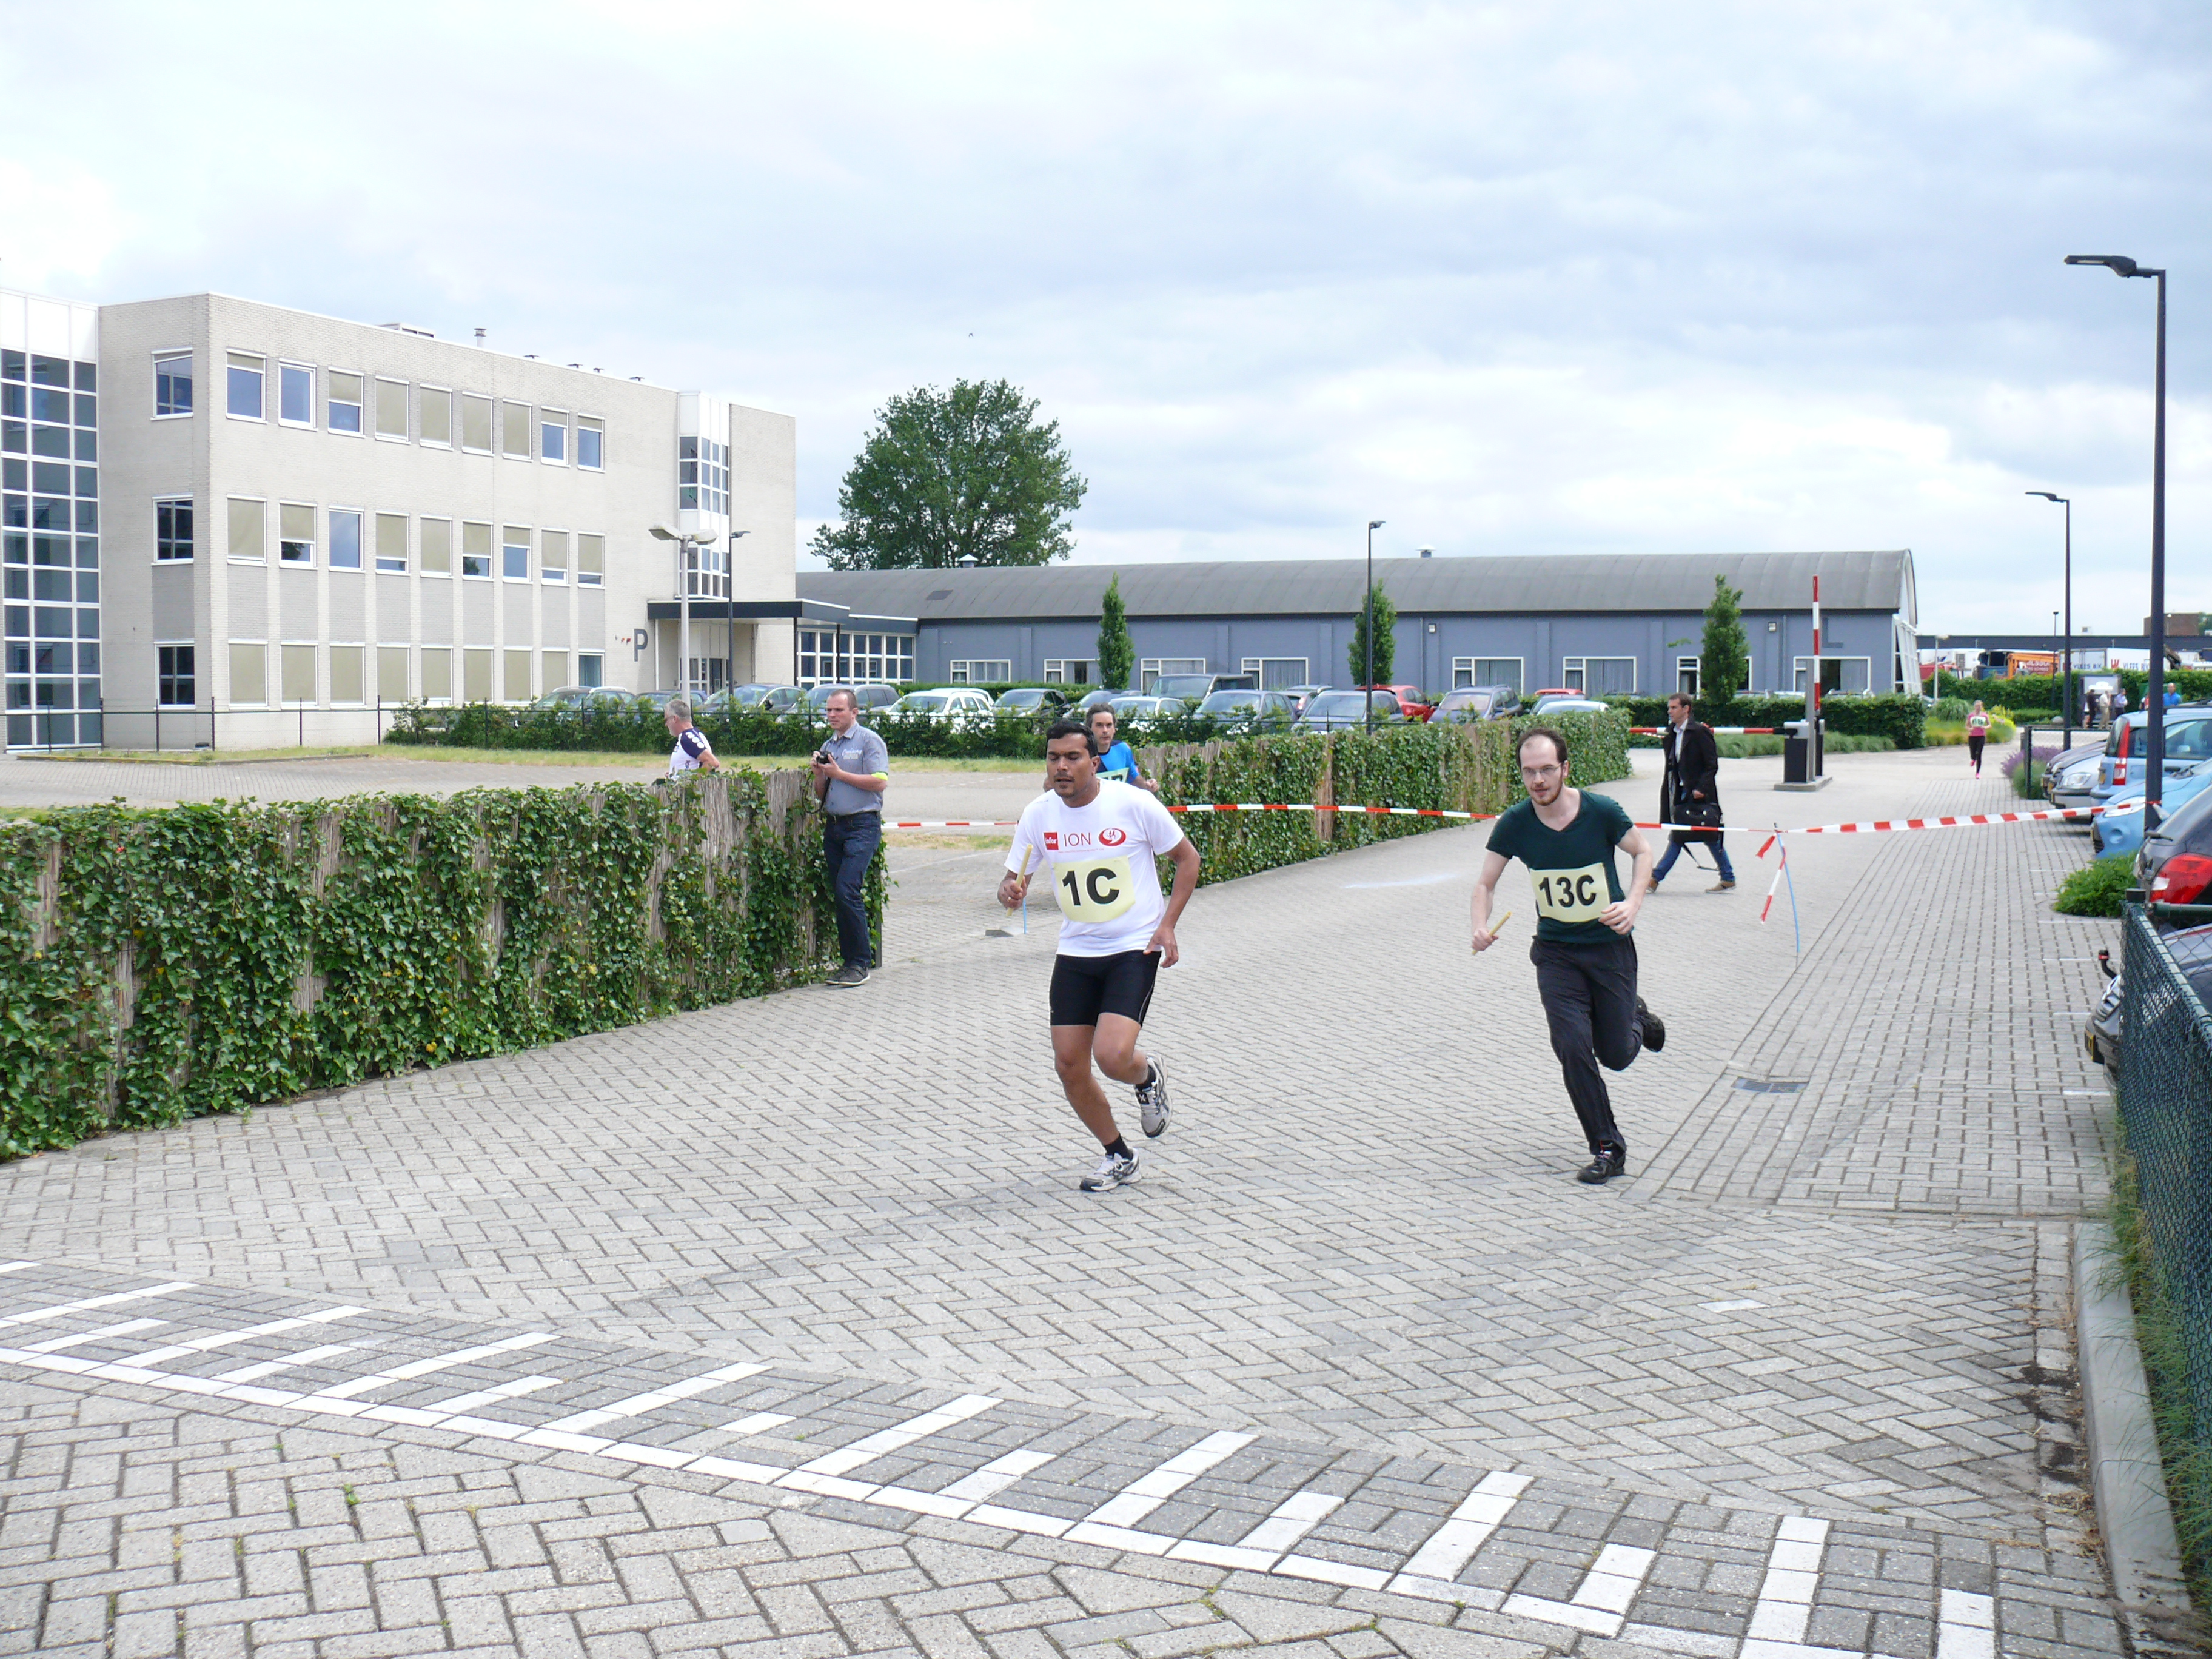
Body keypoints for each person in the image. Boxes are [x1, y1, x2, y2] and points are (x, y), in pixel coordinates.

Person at [1000, 720, 1200, 1192]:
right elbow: (1013, 879)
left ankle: (1146, 1076)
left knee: (1112, 1056)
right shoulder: (1038, 814)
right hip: (1076, 950)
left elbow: (1188, 860)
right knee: (1070, 1065)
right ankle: (1118, 1155)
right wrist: (1010, 891)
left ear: (1094, 763)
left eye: (1072, 758)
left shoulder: (1133, 804)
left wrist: (1168, 924)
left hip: (1134, 946)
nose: (1062, 767)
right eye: (1053, 758)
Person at [1471, 728, 1663, 1185]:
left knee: (1615, 1055)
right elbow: (1485, 883)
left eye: (1546, 770)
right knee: (1572, 1046)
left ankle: (1637, 1018)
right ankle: (1607, 1148)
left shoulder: (1601, 811)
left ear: (1565, 768)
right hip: (1556, 954)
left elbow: (1643, 851)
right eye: (1529, 772)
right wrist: (1479, 925)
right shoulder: (1516, 822)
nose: (1538, 781)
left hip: (1609, 948)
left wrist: (1633, 903)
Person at [812, 688, 890, 987]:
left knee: (848, 889)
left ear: (854, 713)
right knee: (840, 893)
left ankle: (859, 963)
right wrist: (820, 774)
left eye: (839, 710)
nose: (832, 715)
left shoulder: (869, 741)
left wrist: (839, 773)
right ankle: (849, 964)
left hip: (862, 825)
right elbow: (822, 793)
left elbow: (879, 782)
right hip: (835, 827)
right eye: (829, 710)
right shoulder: (829, 744)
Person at [1648, 692, 1734, 894]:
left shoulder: (1700, 733)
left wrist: (1701, 789)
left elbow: (1712, 765)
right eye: (1669, 708)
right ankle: (1728, 876)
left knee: (1689, 834)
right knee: (1703, 833)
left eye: (1674, 708)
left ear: (1686, 709)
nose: (1670, 712)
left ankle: (1655, 878)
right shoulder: (1671, 733)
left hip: (1698, 794)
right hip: (1679, 792)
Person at [1088, 705, 1158, 792]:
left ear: (1114, 729)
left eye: (1109, 725)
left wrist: (1147, 785)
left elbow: (1133, 778)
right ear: (1089, 729)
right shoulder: (1083, 754)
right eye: (1099, 725)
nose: (1105, 730)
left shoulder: (1123, 749)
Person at [663, 698, 722, 776]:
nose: (666, 724)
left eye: (667, 720)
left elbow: (712, 762)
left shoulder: (688, 739)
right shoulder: (694, 735)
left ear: (674, 719)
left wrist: (694, 781)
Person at [1966, 700, 1991, 777]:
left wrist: (1985, 727)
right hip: (1972, 736)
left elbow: (1989, 725)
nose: (1978, 708)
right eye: (1977, 706)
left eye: (1980, 706)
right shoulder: (1971, 715)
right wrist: (1970, 729)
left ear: (1982, 707)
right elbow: (1967, 726)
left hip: (1981, 736)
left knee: (1979, 753)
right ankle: (1973, 759)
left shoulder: (1984, 715)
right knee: (1973, 752)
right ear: (1974, 707)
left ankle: (1977, 772)